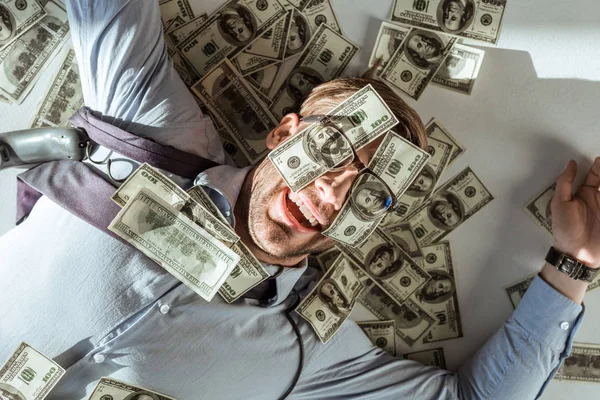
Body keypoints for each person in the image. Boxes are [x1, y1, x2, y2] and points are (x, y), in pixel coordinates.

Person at [0, 1, 599, 399]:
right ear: (285, 134)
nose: (334, 195)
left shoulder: (313, 350)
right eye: (333, 150)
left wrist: (575, 265)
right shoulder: (152, 137)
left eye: (372, 193)